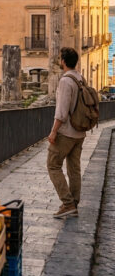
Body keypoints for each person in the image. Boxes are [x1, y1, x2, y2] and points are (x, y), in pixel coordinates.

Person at [47, 47, 86, 218]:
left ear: (63, 61)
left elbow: (61, 112)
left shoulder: (65, 81)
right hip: (80, 132)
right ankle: (74, 203)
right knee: (74, 169)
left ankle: (68, 203)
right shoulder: (80, 78)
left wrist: (54, 131)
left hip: (67, 132)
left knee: (53, 165)